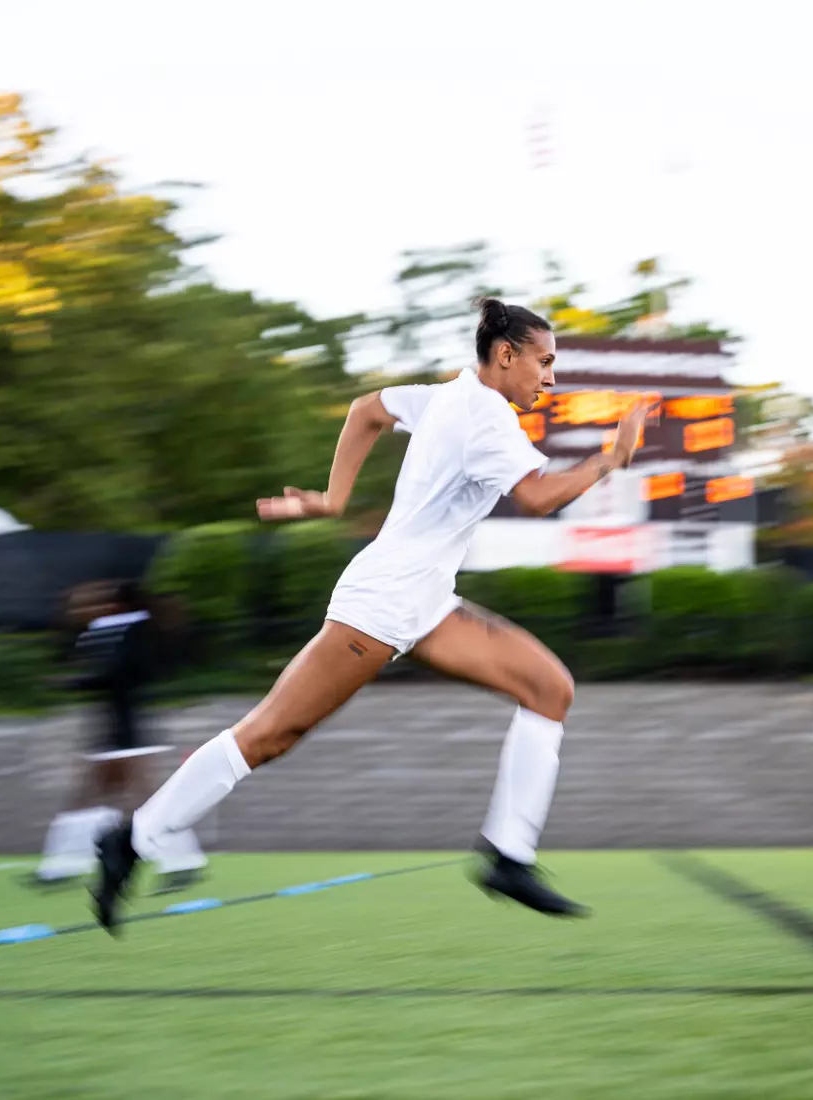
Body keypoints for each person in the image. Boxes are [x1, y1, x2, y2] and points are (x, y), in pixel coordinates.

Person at [90, 298, 654, 931]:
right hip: (384, 601)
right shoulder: (486, 417)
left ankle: (509, 857)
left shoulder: (445, 397)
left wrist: (334, 499)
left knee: (550, 689)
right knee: (269, 734)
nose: (550, 378)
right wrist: (611, 458)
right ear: (505, 355)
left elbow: (367, 411)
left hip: (428, 603)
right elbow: (537, 496)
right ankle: (131, 841)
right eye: (544, 362)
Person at [32, 581, 205, 892]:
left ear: (114, 606)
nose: (87, 609)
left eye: (96, 603)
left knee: (117, 798)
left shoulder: (130, 632)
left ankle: (181, 860)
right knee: (100, 798)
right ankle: (66, 864)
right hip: (115, 730)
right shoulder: (112, 631)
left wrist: (73, 681)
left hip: (127, 730)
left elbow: (118, 673)